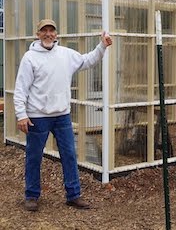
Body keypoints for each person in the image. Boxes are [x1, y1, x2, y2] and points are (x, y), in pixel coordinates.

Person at [13, 19, 112, 211]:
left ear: (56, 34)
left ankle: (73, 195)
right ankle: (31, 195)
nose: (48, 34)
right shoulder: (30, 58)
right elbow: (20, 89)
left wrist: (102, 46)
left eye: (51, 30)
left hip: (62, 116)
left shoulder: (66, 54)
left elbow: (88, 60)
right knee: (34, 157)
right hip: (37, 117)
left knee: (69, 155)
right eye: (44, 31)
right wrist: (21, 115)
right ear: (38, 34)